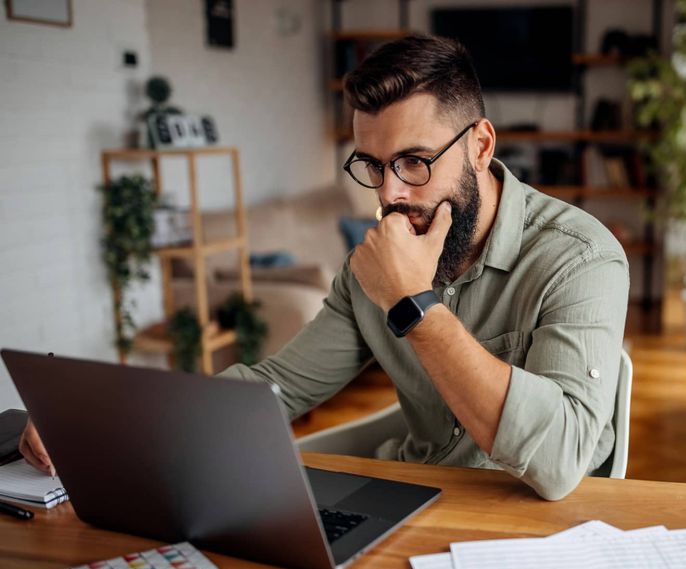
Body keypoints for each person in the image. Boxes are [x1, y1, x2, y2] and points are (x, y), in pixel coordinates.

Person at [20, 35, 629, 500]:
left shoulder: (580, 259)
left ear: (481, 146)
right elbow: (273, 389)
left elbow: (560, 462)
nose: (391, 194)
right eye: (373, 164)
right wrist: (107, 425)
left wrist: (416, 305)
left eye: (415, 162)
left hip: (526, 530)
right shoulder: (372, 267)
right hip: (410, 503)